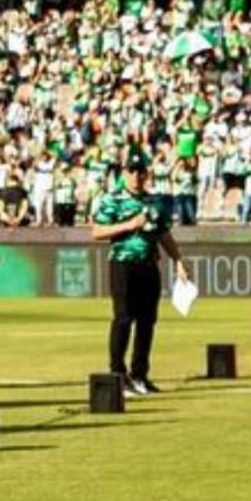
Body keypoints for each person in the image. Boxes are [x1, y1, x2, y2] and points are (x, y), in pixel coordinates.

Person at [89, 155, 186, 400]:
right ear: (124, 172)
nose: (136, 176)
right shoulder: (113, 199)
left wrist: (178, 261)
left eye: (140, 171)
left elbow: (164, 234)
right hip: (123, 264)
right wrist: (130, 224)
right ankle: (117, 375)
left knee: (147, 322)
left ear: (146, 173)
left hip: (148, 265)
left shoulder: (155, 201)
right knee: (123, 319)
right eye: (131, 171)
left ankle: (140, 374)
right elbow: (97, 231)